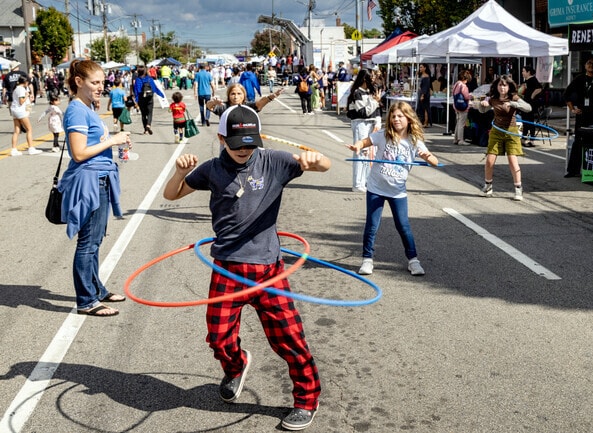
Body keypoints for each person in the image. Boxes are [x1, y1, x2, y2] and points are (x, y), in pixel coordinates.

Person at [162, 104, 329, 431]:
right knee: (219, 336)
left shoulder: (274, 161)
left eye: (250, 143)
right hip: (227, 269)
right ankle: (236, 366)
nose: (244, 151)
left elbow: (325, 164)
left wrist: (314, 159)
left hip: (269, 269)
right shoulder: (211, 169)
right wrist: (180, 172)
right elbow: (172, 195)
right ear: (222, 137)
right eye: (237, 145)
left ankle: (307, 399)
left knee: (289, 338)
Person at [58, 59, 132, 317]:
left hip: (98, 178)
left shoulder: (86, 106)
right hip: (88, 181)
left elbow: (92, 144)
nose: (102, 87)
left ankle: (96, 289)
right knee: (88, 243)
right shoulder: (77, 110)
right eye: (95, 82)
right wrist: (113, 139)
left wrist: (115, 142)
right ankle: (87, 300)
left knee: (96, 240)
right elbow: (78, 153)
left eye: (103, 82)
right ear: (79, 82)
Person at [345, 101, 439, 276]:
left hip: (397, 191)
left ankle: (413, 260)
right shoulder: (383, 135)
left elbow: (434, 161)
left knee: (403, 226)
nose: (396, 119)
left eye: (400, 116)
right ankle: (367, 260)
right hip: (376, 188)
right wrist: (357, 146)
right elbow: (365, 142)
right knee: (372, 225)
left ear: (408, 119)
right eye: (393, 116)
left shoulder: (414, 140)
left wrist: (427, 157)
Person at [477, 75, 532, 201]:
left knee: (513, 161)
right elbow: (482, 110)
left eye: (505, 85)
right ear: (496, 86)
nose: (502, 88)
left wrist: (513, 104)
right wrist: (482, 104)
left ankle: (518, 189)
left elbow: (529, 108)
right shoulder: (493, 98)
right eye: (500, 85)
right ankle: (488, 186)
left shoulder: (514, 97)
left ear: (509, 87)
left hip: (511, 131)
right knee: (490, 160)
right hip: (496, 130)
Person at [346, 69, 382, 193]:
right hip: (360, 123)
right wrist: (375, 101)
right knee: (360, 152)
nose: (373, 79)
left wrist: (378, 122)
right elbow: (363, 112)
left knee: (369, 153)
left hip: (371, 124)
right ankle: (357, 184)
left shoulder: (370, 92)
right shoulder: (357, 93)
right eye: (371, 77)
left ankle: (366, 181)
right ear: (364, 79)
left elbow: (376, 110)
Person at [206, 83, 283, 118]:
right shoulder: (223, 106)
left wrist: (271, 97)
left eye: (239, 94)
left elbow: (260, 103)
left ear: (244, 95)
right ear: (228, 95)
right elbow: (209, 106)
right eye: (233, 94)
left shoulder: (248, 106)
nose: (236, 97)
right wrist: (213, 102)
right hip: (227, 143)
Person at [9, 76, 41, 156]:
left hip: (14, 110)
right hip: (20, 111)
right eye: (27, 82)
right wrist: (27, 95)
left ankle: (14, 149)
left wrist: (27, 98)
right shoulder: (21, 89)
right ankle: (31, 148)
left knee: (17, 130)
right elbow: (21, 101)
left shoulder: (16, 88)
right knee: (29, 129)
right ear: (25, 82)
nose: (28, 83)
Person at [133, 65, 165, 135]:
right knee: (150, 113)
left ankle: (145, 130)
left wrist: (136, 100)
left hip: (141, 99)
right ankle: (148, 125)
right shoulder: (149, 79)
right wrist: (161, 95)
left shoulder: (138, 79)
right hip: (149, 98)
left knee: (143, 114)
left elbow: (136, 91)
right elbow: (154, 88)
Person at [519, 65, 543, 148]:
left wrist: (532, 95)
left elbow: (539, 88)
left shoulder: (532, 79)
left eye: (523, 71)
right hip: (525, 103)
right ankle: (523, 138)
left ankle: (532, 140)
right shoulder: (527, 80)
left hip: (531, 104)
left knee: (530, 121)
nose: (522, 73)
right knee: (525, 121)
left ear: (528, 72)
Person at [452, 70, 472, 146]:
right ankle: (461, 140)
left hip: (456, 106)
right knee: (461, 123)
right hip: (463, 106)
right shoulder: (463, 86)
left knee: (458, 122)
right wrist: (471, 96)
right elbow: (466, 96)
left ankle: (456, 139)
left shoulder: (456, 84)